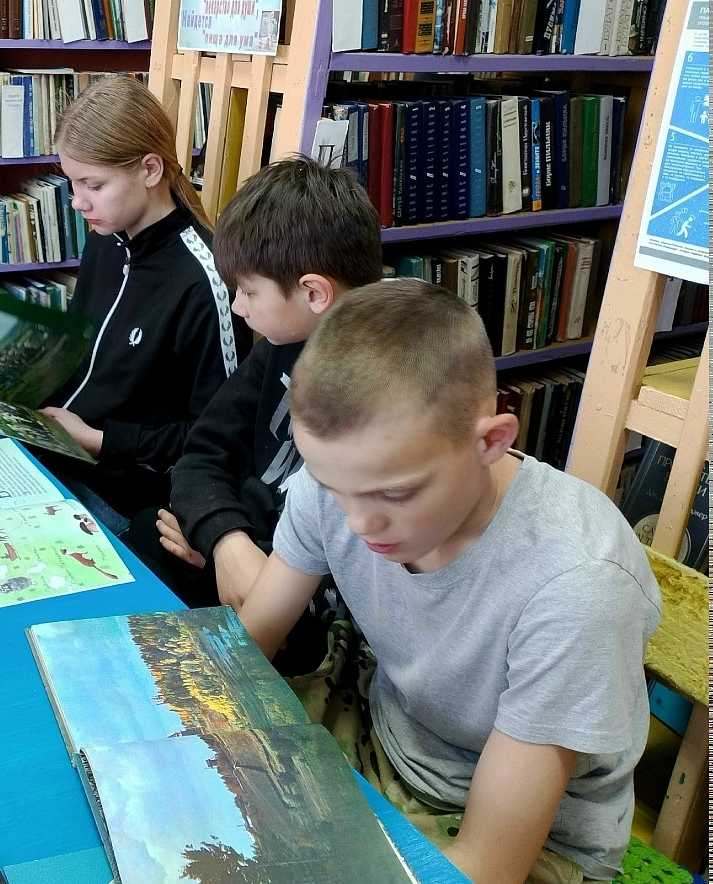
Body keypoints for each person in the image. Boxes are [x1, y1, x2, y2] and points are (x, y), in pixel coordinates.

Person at [238, 280, 661, 884]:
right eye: (332, 487)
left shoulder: (577, 587)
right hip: (387, 728)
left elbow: (487, 866)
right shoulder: (345, 478)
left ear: (491, 441)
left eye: (396, 494)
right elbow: (245, 652)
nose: (359, 523)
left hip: (532, 835)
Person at [128, 157, 383, 631]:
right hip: (244, 551)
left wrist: (227, 549)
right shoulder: (280, 346)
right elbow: (201, 453)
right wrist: (226, 541)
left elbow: (353, 565)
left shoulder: (386, 390)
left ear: (314, 293)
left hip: (310, 609)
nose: (237, 306)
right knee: (142, 538)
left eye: (248, 291)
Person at [37, 77, 252, 527]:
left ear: (150, 170)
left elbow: (217, 439)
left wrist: (99, 441)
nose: (77, 203)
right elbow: (89, 359)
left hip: (123, 492)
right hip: (59, 451)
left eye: (93, 185)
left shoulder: (206, 281)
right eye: (73, 184)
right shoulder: (106, 237)